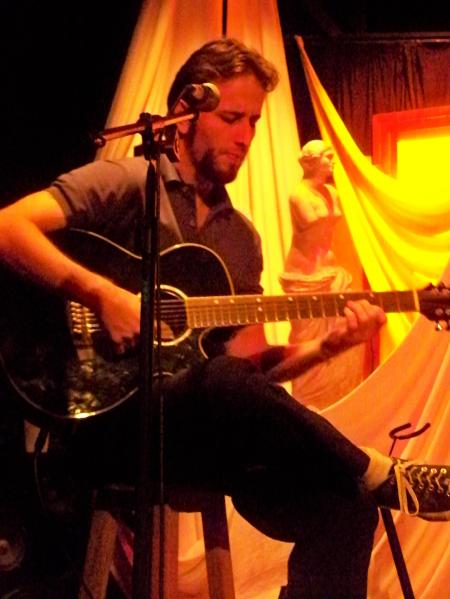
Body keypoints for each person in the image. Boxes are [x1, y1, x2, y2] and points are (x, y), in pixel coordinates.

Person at [0, 38, 448, 599]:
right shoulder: (125, 182)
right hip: (111, 425)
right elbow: (7, 228)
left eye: (253, 121)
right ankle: (381, 472)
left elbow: (249, 371)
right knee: (223, 382)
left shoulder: (240, 239)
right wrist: (101, 294)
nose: (246, 136)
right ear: (185, 114)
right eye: (232, 117)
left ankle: (365, 480)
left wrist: (327, 347)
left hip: (201, 440)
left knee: (344, 500)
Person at [280, 140, 366, 409]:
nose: (333, 162)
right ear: (311, 162)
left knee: (347, 338)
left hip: (332, 272)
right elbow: (312, 222)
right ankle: (311, 407)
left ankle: (342, 403)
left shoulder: (332, 192)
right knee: (309, 343)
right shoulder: (298, 195)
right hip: (305, 277)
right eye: (328, 157)